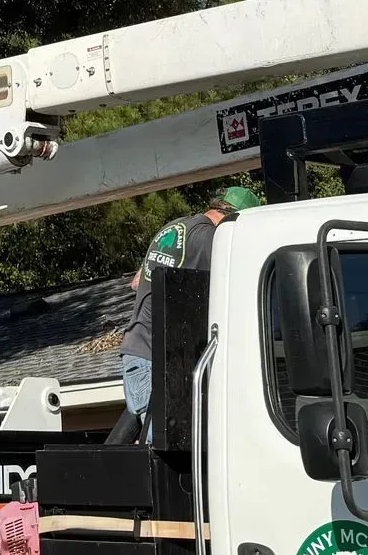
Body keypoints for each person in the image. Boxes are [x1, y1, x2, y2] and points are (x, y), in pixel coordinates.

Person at [108, 183, 261, 444]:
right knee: (168, 457)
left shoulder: (175, 227)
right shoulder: (209, 238)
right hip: (155, 360)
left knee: (164, 448)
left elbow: (137, 281)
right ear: (232, 218)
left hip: (142, 352)